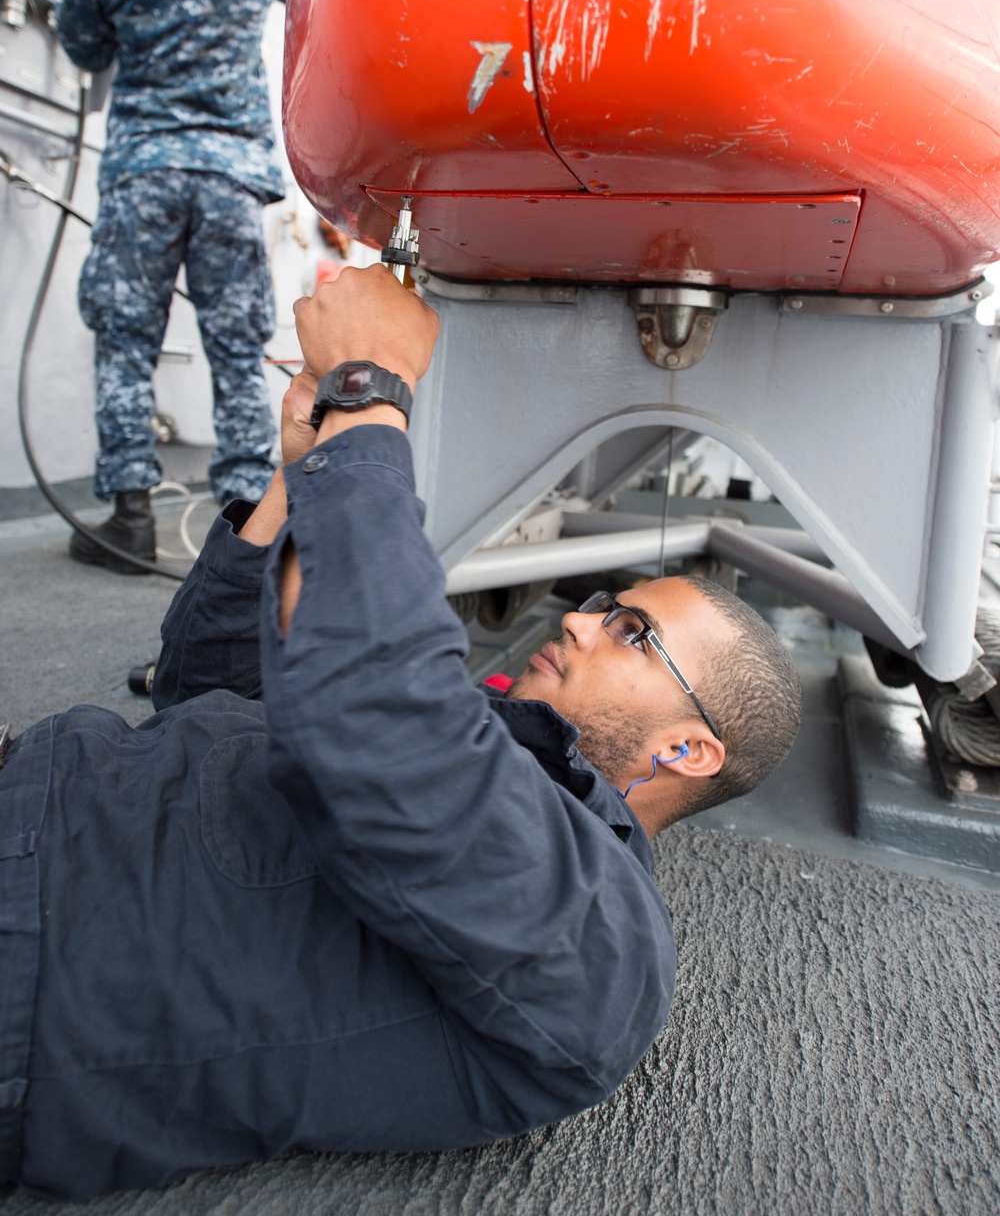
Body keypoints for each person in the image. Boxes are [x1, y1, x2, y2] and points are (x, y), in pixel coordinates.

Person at [0, 266, 802, 1200]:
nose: (579, 622)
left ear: (689, 750)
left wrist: (372, 390)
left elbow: (372, 716)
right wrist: (300, 475)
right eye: (599, 604)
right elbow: (204, 695)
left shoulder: (606, 944)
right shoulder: (482, 752)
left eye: (633, 633)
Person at [56, 0, 288, 572]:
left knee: (126, 341)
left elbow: (86, 50)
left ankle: (128, 523)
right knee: (235, 347)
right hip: (231, 175)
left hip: (144, 171)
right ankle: (244, 537)